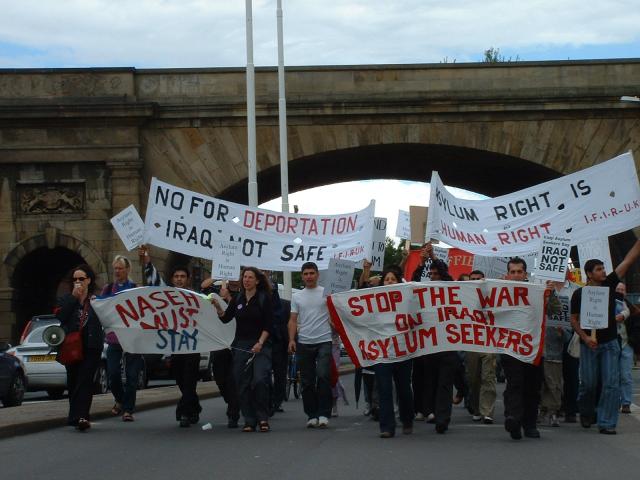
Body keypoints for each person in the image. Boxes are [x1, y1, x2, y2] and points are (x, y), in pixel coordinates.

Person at [570, 239, 640, 435]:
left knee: (610, 383)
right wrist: (585, 338)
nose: (603, 271)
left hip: (610, 343)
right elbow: (573, 320)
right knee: (589, 384)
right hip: (589, 345)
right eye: (599, 269)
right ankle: (586, 411)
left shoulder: (610, 284)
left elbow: (628, 260)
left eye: (603, 268)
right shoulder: (579, 295)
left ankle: (607, 422)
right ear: (589, 273)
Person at [139, 245, 202, 428]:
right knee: (181, 379)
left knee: (190, 379)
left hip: (193, 345)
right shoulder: (166, 295)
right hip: (175, 346)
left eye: (183, 277)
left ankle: (184, 412)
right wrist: (147, 261)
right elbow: (154, 281)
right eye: (176, 277)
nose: (180, 279)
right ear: (173, 279)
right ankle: (194, 407)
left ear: (187, 279)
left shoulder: (196, 297)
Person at [213, 267, 273, 432]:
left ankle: (263, 417)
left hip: (261, 345)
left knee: (260, 380)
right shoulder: (238, 298)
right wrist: (218, 306)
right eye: (244, 277)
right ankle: (249, 419)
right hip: (241, 345)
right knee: (242, 382)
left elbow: (269, 324)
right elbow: (226, 318)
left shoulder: (264, 298)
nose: (246, 280)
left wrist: (260, 343)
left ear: (257, 281)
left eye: (250, 277)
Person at [501, 257, 554, 440]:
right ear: (508, 274)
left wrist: (550, 295)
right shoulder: (499, 293)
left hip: (533, 348)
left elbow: (554, 311)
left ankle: (529, 424)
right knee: (515, 383)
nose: (516, 275)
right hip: (510, 347)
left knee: (532, 387)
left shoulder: (537, 292)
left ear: (525, 274)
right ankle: (513, 418)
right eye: (513, 272)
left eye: (519, 272)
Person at [56, 264, 104, 431]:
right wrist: (73, 298)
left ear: (88, 280)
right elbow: (61, 317)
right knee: (73, 381)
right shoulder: (66, 299)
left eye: (81, 279)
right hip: (72, 346)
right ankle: (76, 414)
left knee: (85, 380)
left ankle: (81, 416)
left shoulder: (96, 301)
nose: (78, 282)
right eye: (75, 279)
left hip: (91, 346)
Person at [288, 262, 333, 428]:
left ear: (317, 275)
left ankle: (324, 413)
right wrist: (292, 339)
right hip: (304, 342)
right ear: (302, 276)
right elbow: (292, 320)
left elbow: (335, 314)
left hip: (324, 340)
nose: (309, 276)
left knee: (322, 375)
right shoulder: (297, 296)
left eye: (312, 273)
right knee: (306, 381)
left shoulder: (326, 293)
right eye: (306, 273)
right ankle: (311, 415)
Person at [372, 267, 414, 438]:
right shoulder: (374, 300)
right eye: (386, 279)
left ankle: (407, 419)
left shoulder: (407, 299)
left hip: (402, 351)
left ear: (399, 282)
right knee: (384, 389)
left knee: (404, 388)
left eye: (393, 279)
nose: (389, 282)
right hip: (383, 352)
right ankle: (387, 426)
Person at [101, 255, 143, 422]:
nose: (117, 271)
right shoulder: (108, 288)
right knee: (113, 373)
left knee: (132, 376)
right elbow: (101, 307)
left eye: (120, 268)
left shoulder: (134, 288)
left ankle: (128, 410)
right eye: (115, 268)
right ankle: (120, 399)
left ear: (127, 270)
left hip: (132, 338)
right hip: (114, 338)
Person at [421, 259, 459, 433]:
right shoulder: (424, 291)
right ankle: (434, 412)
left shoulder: (452, 289)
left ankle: (442, 419)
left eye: (437, 274)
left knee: (445, 384)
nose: (433, 277)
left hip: (448, 345)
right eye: (431, 274)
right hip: (430, 345)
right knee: (431, 383)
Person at [201, 278, 241, 428]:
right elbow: (203, 289)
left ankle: (233, 413)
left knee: (233, 379)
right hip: (219, 343)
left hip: (237, 344)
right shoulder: (217, 292)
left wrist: (229, 298)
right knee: (220, 378)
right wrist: (219, 275)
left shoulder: (244, 294)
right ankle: (232, 401)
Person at [465, 269, 497, 424]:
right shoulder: (463, 296)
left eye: (479, 278)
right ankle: (477, 408)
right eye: (473, 278)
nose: (476, 280)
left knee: (488, 376)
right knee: (473, 378)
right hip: (471, 341)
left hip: (488, 341)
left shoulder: (492, 295)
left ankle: (487, 411)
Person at [617, 282, 637, 414]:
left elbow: (637, 328)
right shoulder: (607, 305)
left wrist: (632, 343)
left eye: (622, 289)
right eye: (617, 289)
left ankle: (626, 403)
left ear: (625, 292)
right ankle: (615, 401)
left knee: (626, 375)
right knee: (612, 375)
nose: (620, 291)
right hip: (612, 343)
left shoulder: (633, 309)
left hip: (626, 345)